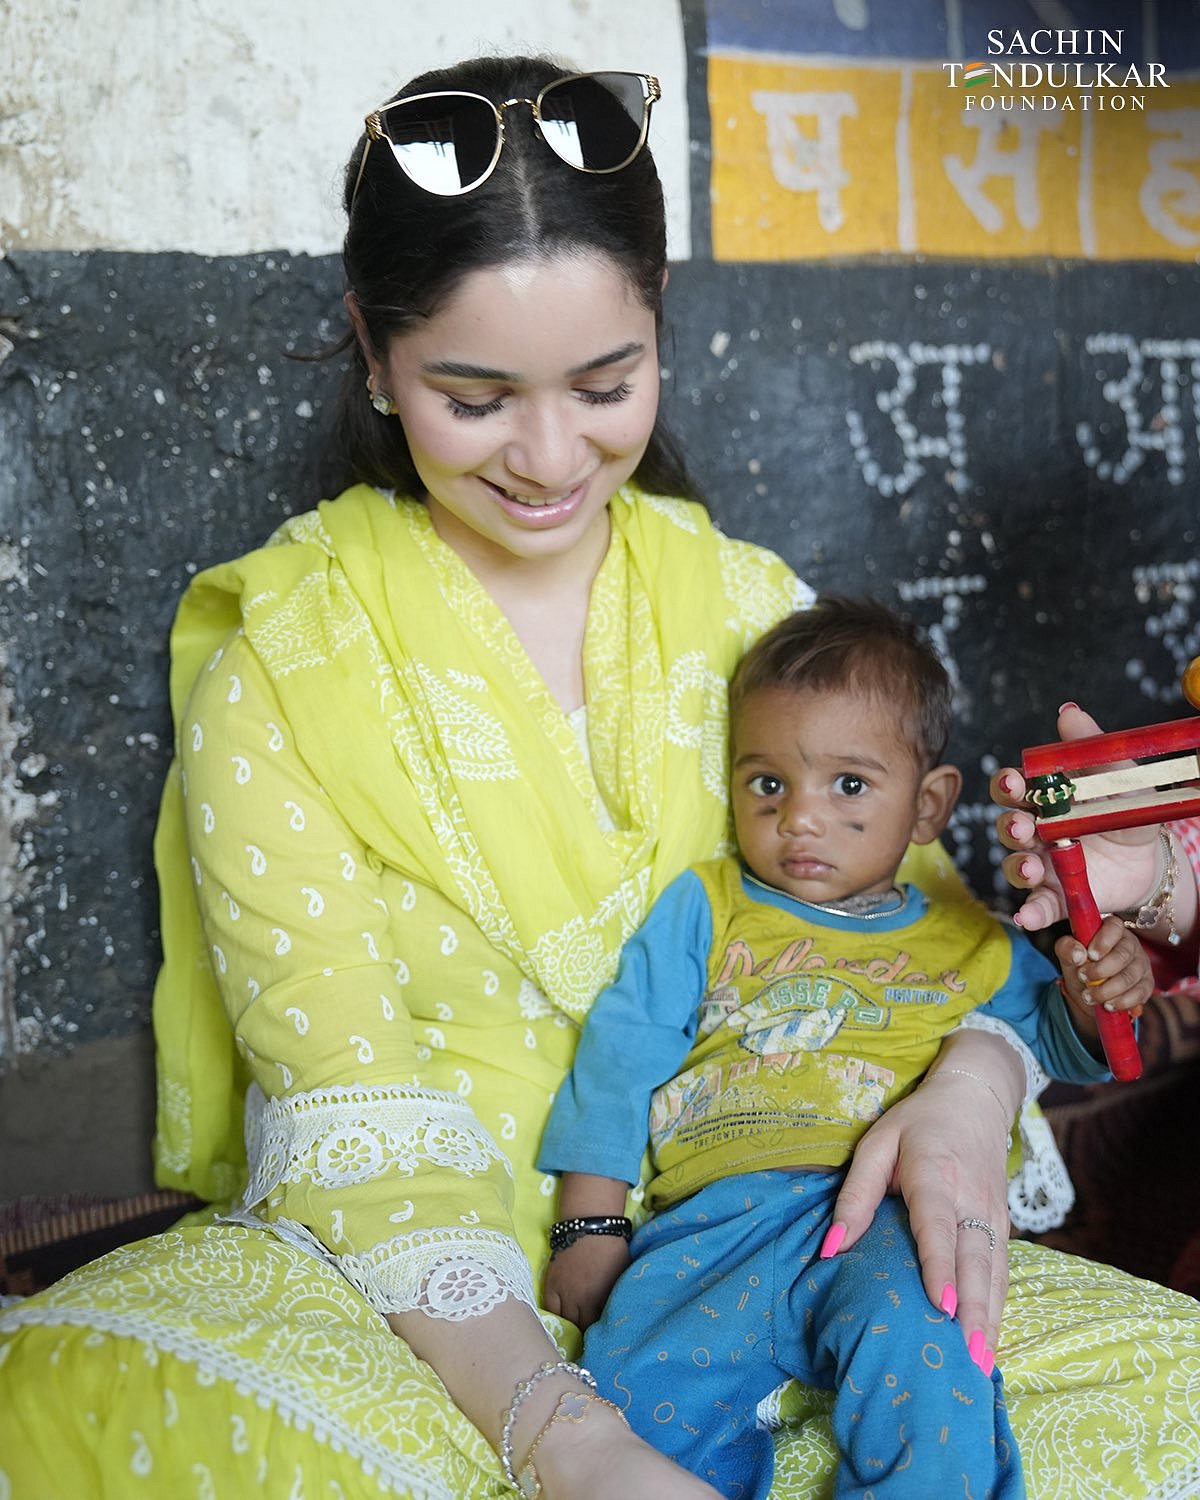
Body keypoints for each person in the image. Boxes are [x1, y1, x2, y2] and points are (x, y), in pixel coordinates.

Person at [1, 53, 1199, 1500]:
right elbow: (347, 1100)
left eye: (605, 382)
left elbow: (929, 943)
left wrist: (967, 1081)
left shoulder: (756, 612)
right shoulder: (285, 665)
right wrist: (567, 1437)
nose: (551, 454)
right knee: (80, 1391)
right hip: (422, 1298)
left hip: (800, 1221)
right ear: (371, 349)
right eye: (476, 396)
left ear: (660, 333)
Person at [538, 598, 1151, 1499]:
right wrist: (590, 1224)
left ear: (929, 804)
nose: (799, 820)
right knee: (630, 1408)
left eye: (850, 786)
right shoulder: (708, 906)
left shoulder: (973, 942)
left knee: (933, 1362)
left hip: (890, 1220)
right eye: (767, 784)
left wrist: (1102, 993)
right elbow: (622, 1051)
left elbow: (1065, 1048)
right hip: (711, 1222)